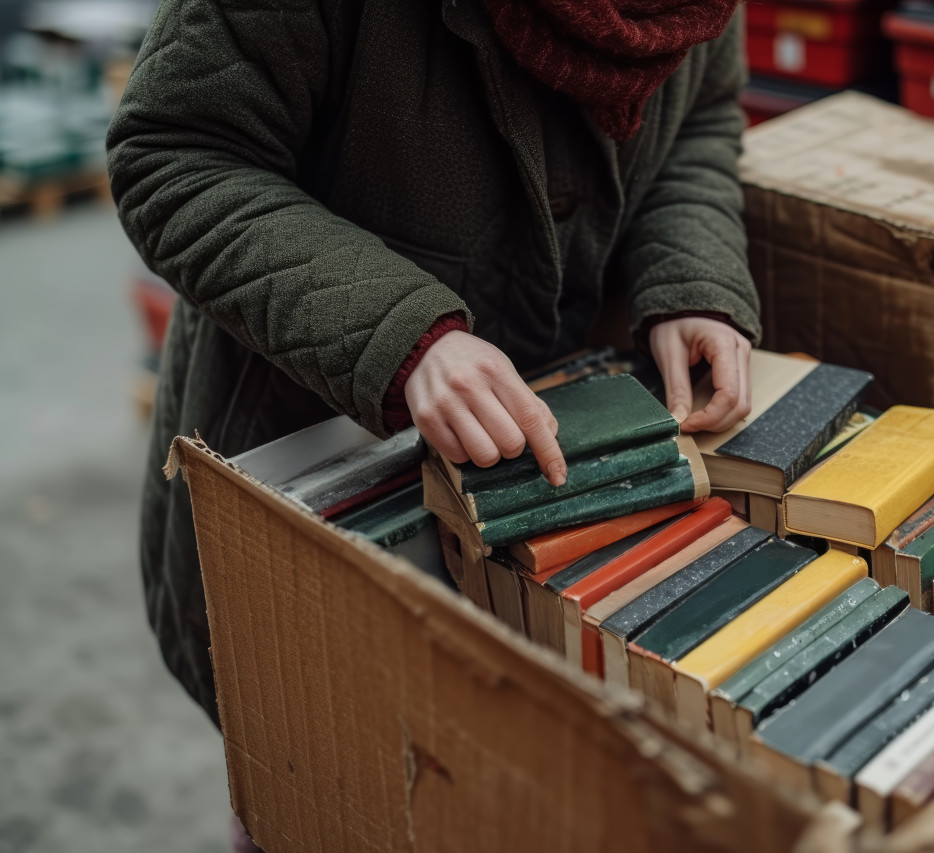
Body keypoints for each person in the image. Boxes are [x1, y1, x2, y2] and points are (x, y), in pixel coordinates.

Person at [106, 0, 761, 733]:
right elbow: (173, 155)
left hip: (549, 516)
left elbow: (701, 119)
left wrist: (693, 280)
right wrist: (404, 335)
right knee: (308, 770)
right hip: (308, 454)